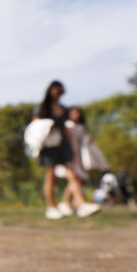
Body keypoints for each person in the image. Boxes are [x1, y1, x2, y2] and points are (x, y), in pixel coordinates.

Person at [34, 81, 99, 220]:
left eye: (61, 93)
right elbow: (36, 126)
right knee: (51, 176)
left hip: (62, 145)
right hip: (49, 146)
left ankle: (81, 204)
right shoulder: (43, 108)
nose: (59, 95)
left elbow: (65, 129)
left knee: (72, 174)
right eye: (58, 92)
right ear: (51, 91)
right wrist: (47, 128)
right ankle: (51, 207)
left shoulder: (63, 109)